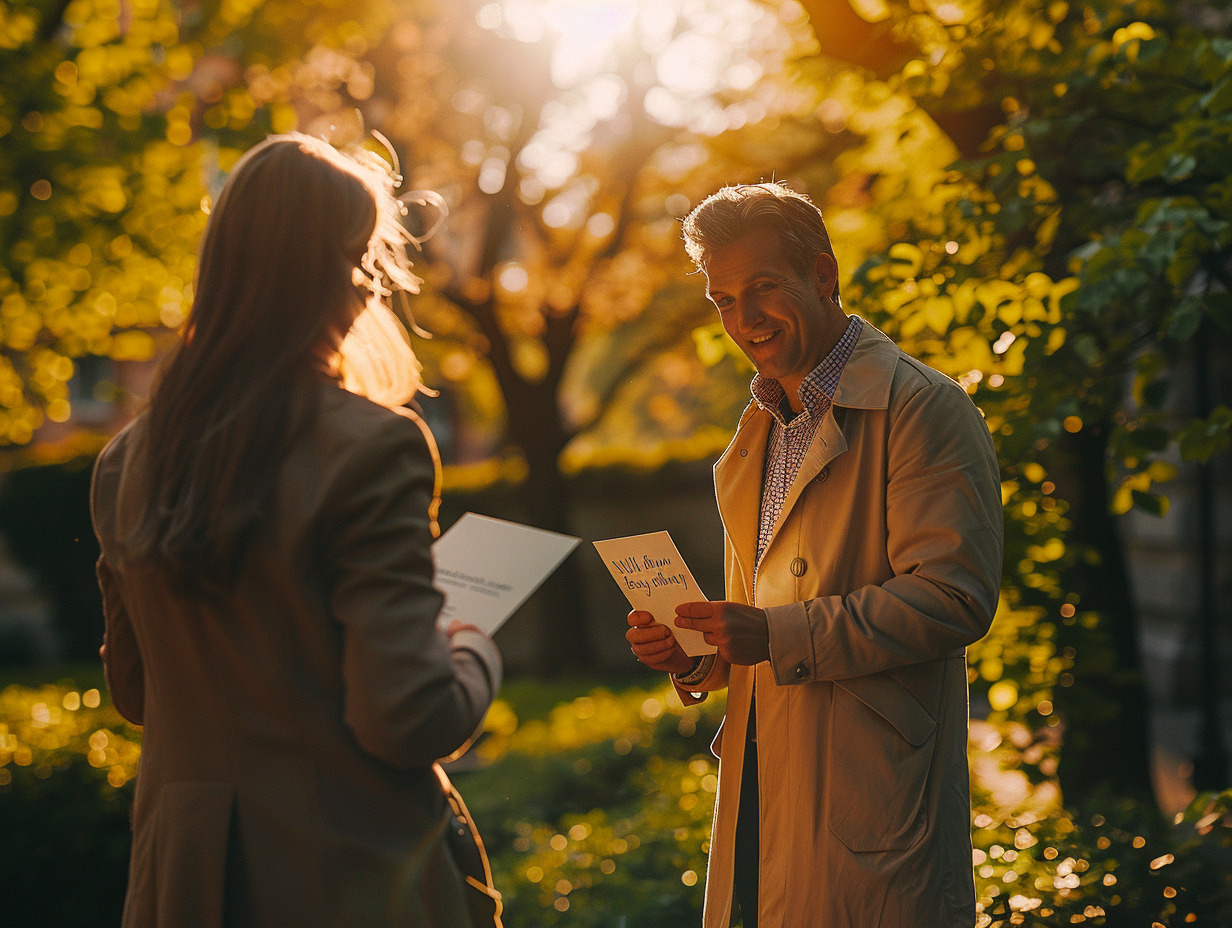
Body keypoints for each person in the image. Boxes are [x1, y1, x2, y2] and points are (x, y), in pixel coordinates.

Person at [91, 133, 503, 927]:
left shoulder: (123, 463)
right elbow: (409, 719)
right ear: (342, 273)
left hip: (185, 883)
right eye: (365, 266)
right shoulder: (370, 445)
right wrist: (474, 645)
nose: (366, 292)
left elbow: (138, 691)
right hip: (349, 876)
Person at [627, 183, 1003, 927]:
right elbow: (760, 623)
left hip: (873, 794)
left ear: (823, 275)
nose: (744, 319)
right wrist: (697, 653)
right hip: (765, 785)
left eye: (763, 288)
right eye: (724, 299)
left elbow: (954, 597)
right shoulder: (757, 432)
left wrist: (773, 635)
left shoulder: (924, 407)